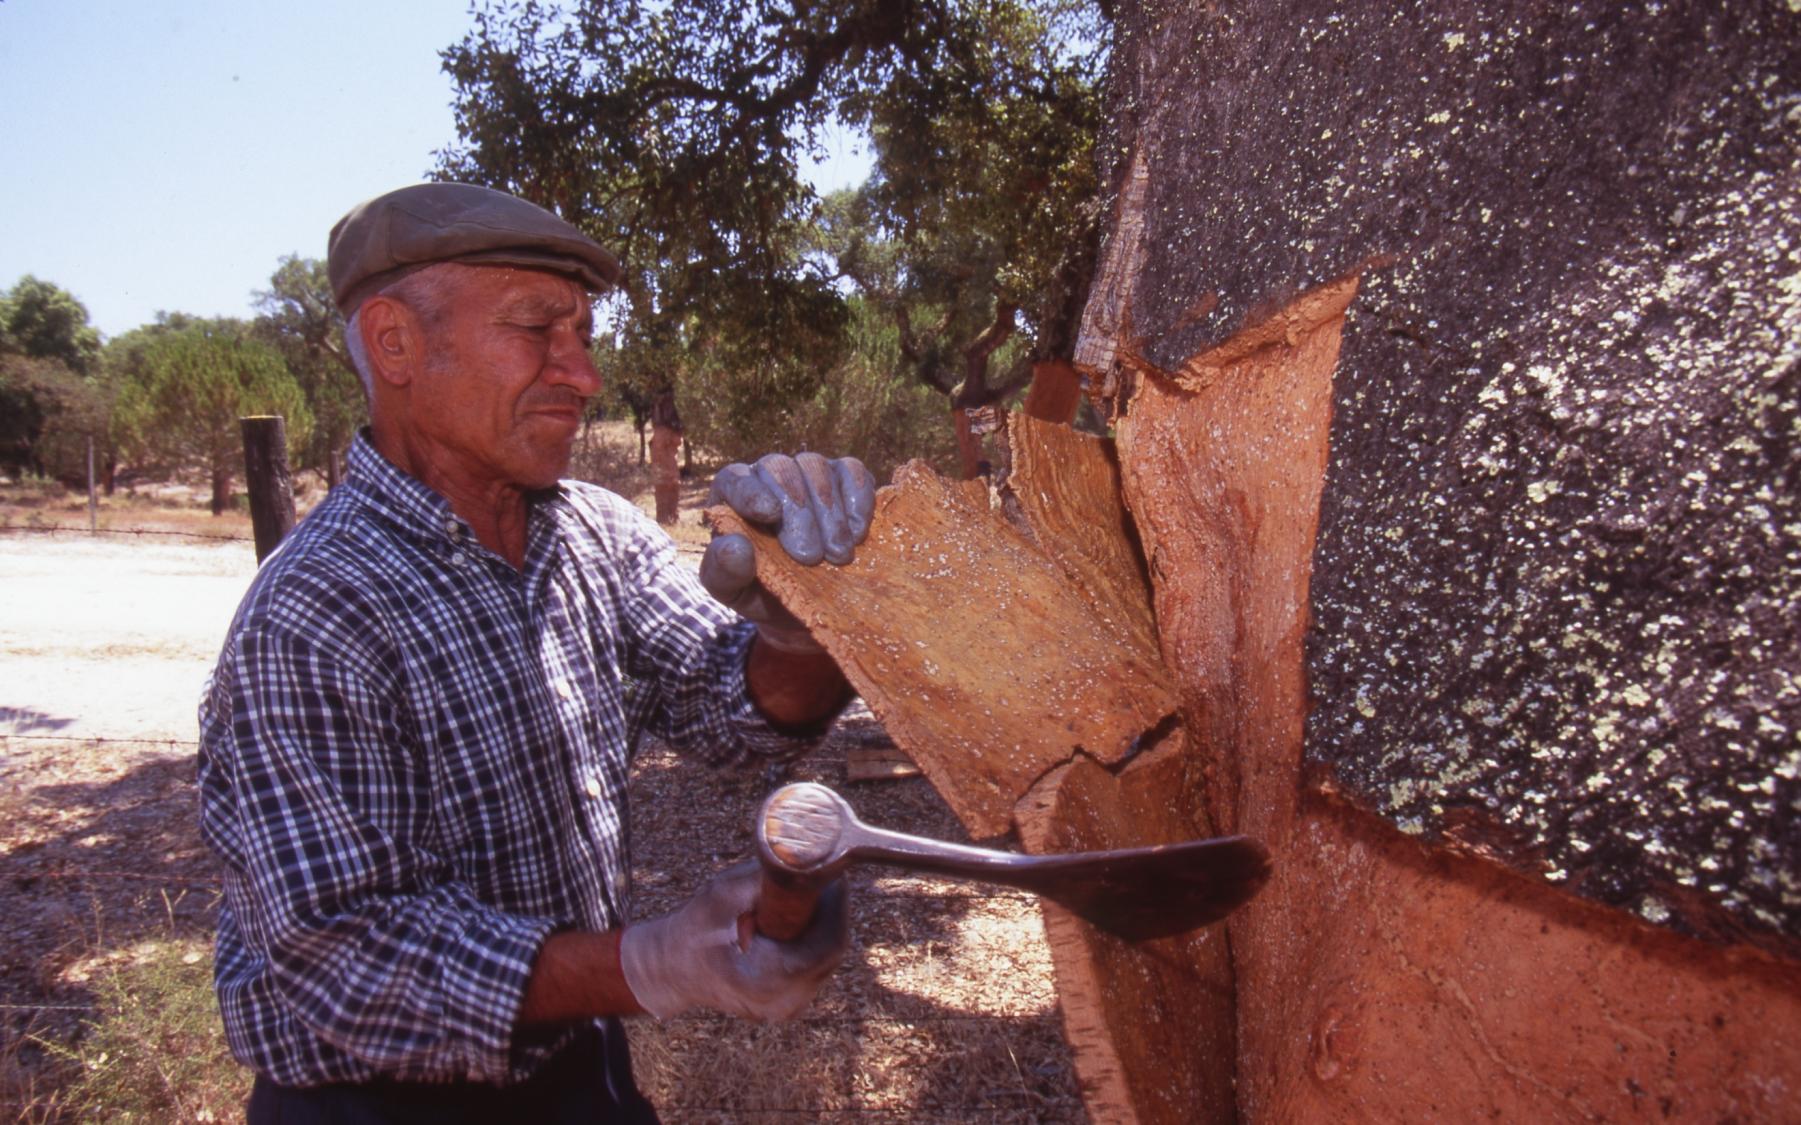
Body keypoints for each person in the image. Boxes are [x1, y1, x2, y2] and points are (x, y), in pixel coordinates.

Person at [196, 182, 876, 1123]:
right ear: (394, 342)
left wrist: (803, 628)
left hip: (575, 1061)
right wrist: (651, 960)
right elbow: (344, 958)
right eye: (534, 329)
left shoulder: (592, 533)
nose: (585, 375)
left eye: (584, 335)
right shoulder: (315, 612)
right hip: (375, 1102)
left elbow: (730, 714)